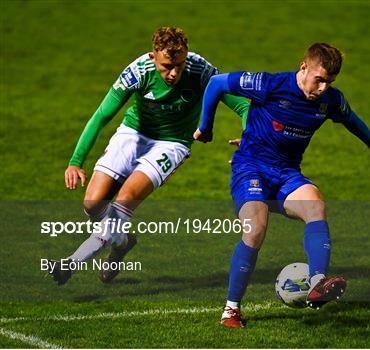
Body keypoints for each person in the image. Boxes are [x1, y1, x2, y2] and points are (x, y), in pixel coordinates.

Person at [194, 43, 370, 328]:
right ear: (304, 67)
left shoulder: (330, 101)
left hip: (287, 174)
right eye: (320, 79)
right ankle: (231, 309)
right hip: (251, 168)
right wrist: (206, 127)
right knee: (256, 228)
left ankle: (317, 284)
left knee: (315, 204)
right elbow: (216, 83)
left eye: (330, 82)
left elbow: (351, 120)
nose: (324, 87)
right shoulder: (271, 85)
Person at [48, 27, 250, 285]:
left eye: (180, 64)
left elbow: (242, 105)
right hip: (133, 133)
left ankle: (70, 263)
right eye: (167, 66)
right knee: (92, 203)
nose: (174, 73)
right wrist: (75, 162)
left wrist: (248, 136)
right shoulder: (139, 71)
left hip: (172, 144)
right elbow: (102, 115)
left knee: (123, 203)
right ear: (153, 56)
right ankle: (122, 243)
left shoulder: (200, 70)